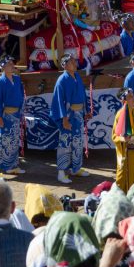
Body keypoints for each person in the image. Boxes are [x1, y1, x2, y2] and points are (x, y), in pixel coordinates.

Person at [50, 54, 88, 184]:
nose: (75, 63)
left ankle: (75, 168)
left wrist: (86, 111)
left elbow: (83, 94)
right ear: (64, 65)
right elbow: (59, 101)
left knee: (77, 142)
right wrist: (64, 119)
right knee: (65, 143)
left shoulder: (77, 76)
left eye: (74, 61)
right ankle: (61, 172)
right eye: (71, 62)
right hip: (68, 115)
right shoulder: (62, 80)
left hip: (78, 114)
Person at [0, 55, 25, 177]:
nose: (11, 65)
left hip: (15, 115)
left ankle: (11, 166)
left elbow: (20, 95)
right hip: (4, 116)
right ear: (2, 67)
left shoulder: (17, 79)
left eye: (11, 63)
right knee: (0, 141)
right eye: (8, 63)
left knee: (13, 141)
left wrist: (20, 111)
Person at [112, 87, 134, 192]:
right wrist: (122, 138)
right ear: (123, 100)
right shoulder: (120, 114)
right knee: (122, 178)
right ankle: (119, 198)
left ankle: (131, 197)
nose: (133, 98)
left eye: (133, 95)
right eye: (130, 97)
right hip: (126, 152)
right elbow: (114, 136)